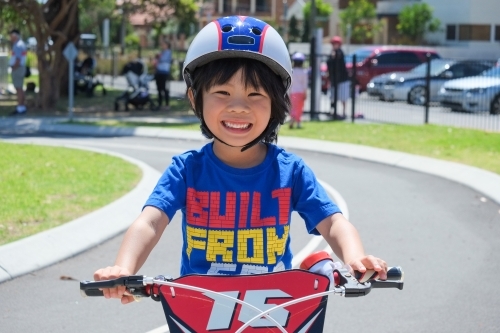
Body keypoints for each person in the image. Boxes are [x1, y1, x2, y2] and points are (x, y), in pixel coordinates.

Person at [94, 16, 388, 304]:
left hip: (273, 311)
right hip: (200, 310)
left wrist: (355, 258)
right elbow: (149, 223)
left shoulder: (290, 171)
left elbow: (334, 223)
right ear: (195, 98)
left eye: (255, 94)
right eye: (222, 92)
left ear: (276, 102)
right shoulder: (186, 171)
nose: (238, 107)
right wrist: (124, 268)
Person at [326, 36, 350, 119]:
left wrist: (334, 55)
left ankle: (344, 112)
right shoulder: (331, 53)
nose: (334, 45)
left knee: (343, 97)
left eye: (336, 44)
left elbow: (338, 57)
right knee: (333, 97)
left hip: (342, 79)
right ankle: (333, 111)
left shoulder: (340, 52)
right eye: (333, 44)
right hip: (334, 80)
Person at [9, 29, 27, 116]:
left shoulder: (18, 45)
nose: (10, 38)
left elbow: (18, 59)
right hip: (19, 68)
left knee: (18, 88)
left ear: (15, 36)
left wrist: (13, 68)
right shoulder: (20, 44)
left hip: (18, 68)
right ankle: (21, 107)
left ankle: (20, 107)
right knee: (19, 88)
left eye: (11, 36)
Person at [289, 52, 308, 129]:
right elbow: (305, 84)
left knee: (293, 107)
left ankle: (292, 118)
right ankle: (298, 122)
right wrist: (305, 94)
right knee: (300, 108)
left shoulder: (291, 71)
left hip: (292, 92)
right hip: (300, 92)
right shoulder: (304, 72)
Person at [154, 39, 172, 110]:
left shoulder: (168, 52)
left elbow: (163, 59)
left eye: (163, 44)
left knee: (165, 89)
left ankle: (167, 104)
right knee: (159, 88)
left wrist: (158, 57)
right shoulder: (162, 52)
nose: (162, 46)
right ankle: (160, 104)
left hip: (164, 72)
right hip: (159, 72)